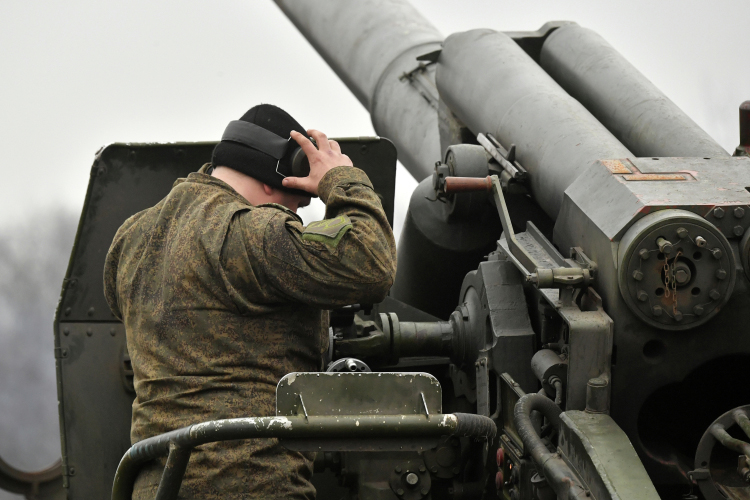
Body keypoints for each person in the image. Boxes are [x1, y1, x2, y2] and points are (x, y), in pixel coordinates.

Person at [103, 104, 397, 499]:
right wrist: (339, 179)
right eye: (296, 203)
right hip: (253, 485)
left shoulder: (131, 239)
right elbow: (371, 264)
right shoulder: (253, 233)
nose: (295, 214)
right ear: (277, 179)